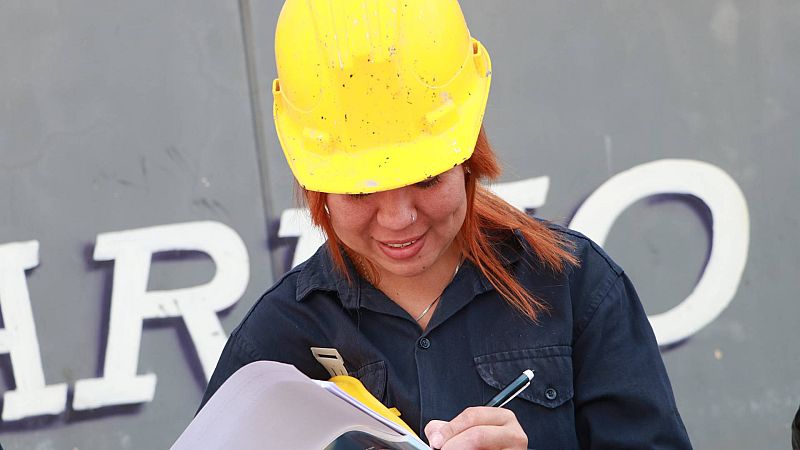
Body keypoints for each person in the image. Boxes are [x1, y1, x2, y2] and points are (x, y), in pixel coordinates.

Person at [200, 1, 692, 448]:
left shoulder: (575, 288)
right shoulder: (274, 349)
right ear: (315, 185)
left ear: (469, 158)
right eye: (359, 190)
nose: (398, 218)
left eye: (426, 179)